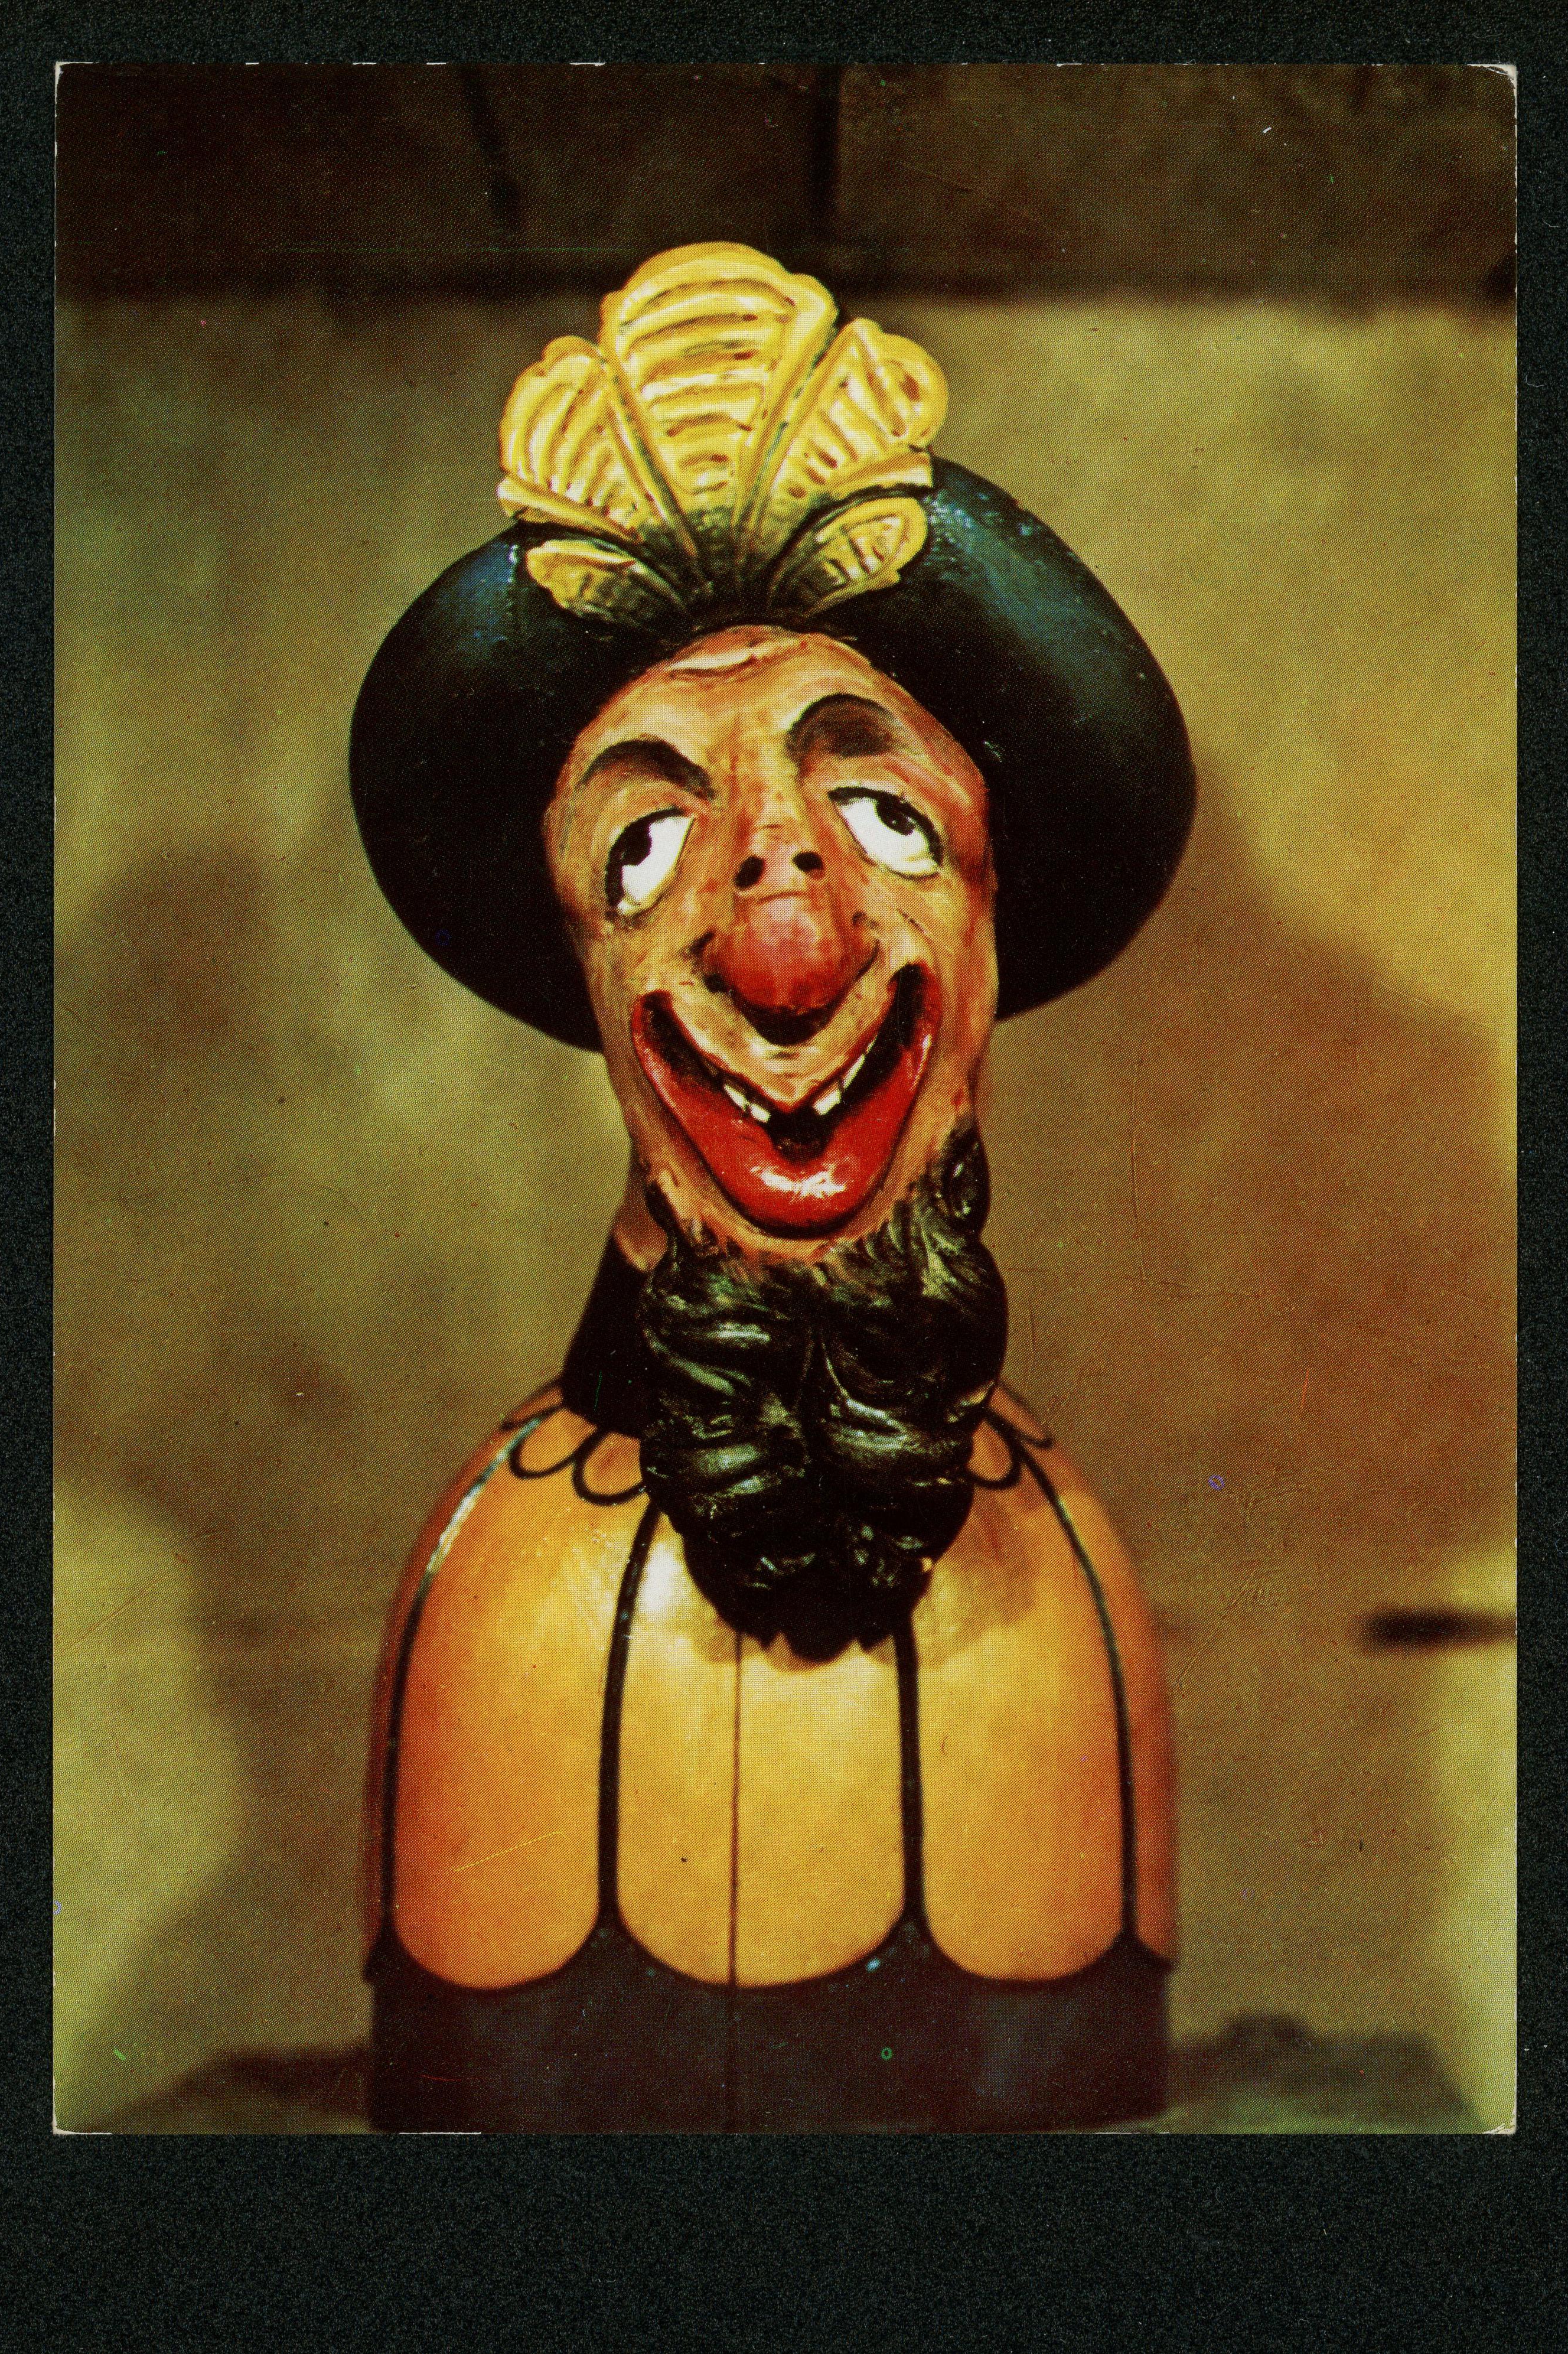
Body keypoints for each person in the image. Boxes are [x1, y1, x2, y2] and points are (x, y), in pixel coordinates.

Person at [349, 244, 1195, 2131]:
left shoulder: (1067, 1567)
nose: (784, 940)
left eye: (882, 817)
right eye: (648, 844)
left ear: (987, 916)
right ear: (581, 957)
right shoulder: (502, 1582)